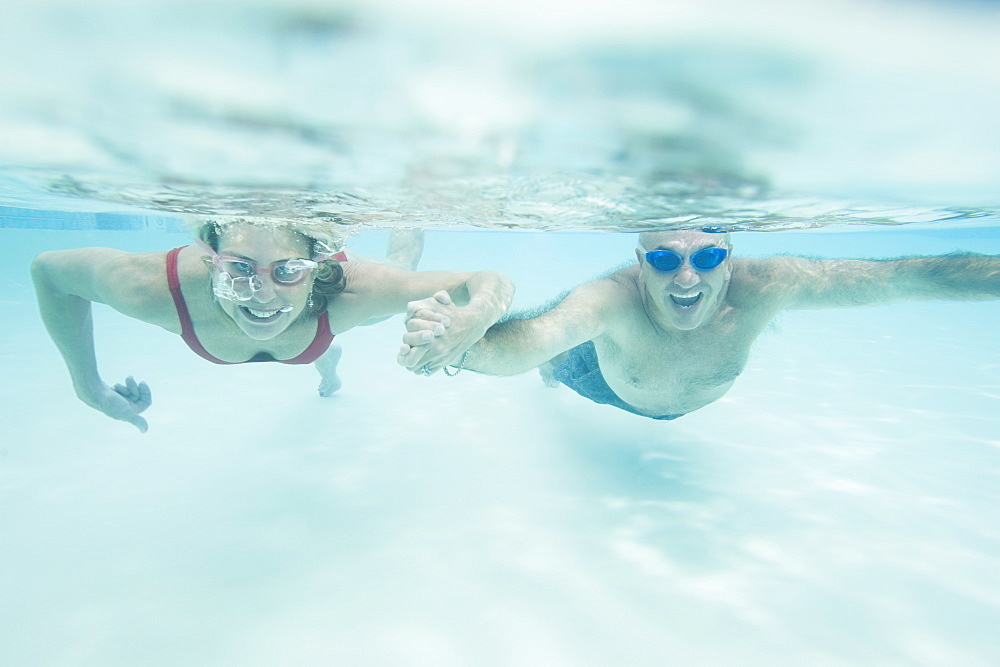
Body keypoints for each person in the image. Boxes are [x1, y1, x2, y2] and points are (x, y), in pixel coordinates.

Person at [399, 228, 1000, 419]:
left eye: (708, 257)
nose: (687, 277)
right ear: (641, 263)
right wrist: (456, 342)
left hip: (664, 391)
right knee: (554, 363)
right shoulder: (609, 300)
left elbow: (909, 276)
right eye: (664, 259)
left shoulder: (771, 286)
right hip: (604, 381)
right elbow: (526, 343)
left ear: (729, 259)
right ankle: (559, 380)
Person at [32, 219, 514, 432]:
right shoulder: (152, 287)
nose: (261, 291)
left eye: (287, 270)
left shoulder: (347, 292)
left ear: (315, 268)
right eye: (240, 268)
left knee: (396, 278)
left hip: (320, 324)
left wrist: (472, 321)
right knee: (301, 330)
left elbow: (487, 280)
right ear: (211, 260)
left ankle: (327, 361)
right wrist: (88, 387)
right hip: (307, 325)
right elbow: (49, 272)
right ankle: (323, 353)